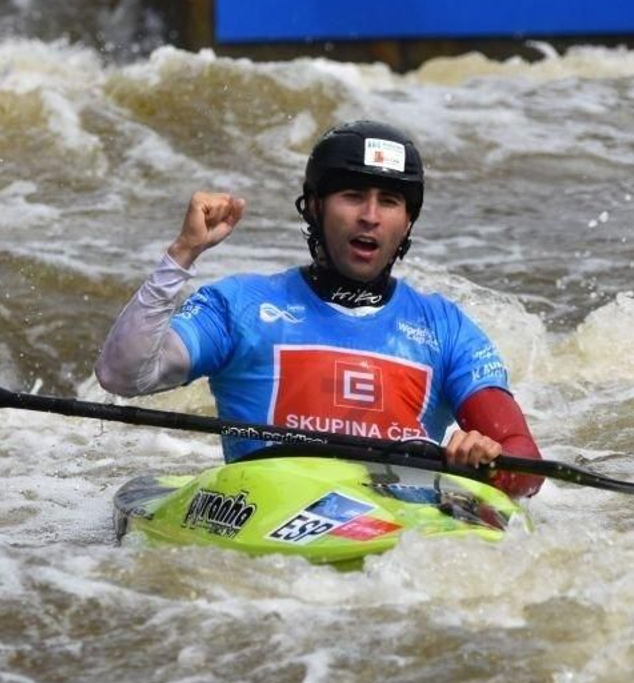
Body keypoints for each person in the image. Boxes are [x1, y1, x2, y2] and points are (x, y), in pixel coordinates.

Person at [96, 120, 545, 499]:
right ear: (314, 206)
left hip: (401, 532)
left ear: (407, 221)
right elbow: (124, 375)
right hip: (269, 516)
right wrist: (182, 253)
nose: (370, 215)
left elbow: (524, 460)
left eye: (389, 202)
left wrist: (487, 462)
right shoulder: (240, 306)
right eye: (352, 195)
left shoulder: (446, 328)